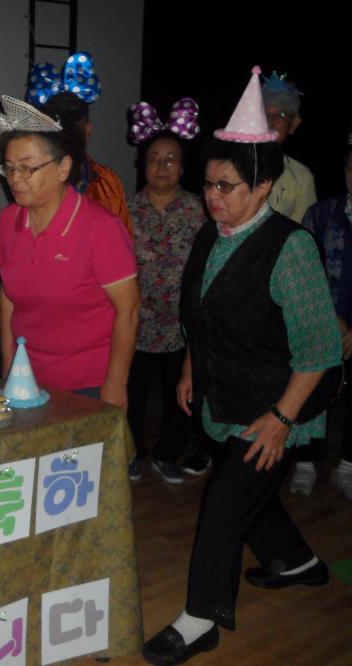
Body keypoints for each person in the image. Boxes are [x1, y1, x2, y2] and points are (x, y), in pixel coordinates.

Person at [143, 68, 341, 666]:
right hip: (224, 388)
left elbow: (320, 350)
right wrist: (189, 370)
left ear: (264, 186)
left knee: (225, 507)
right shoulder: (213, 234)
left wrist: (282, 419)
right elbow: (198, 315)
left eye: (227, 186)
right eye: (208, 184)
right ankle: (298, 562)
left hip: (277, 400)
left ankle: (201, 619)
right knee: (249, 489)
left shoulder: (291, 248)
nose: (213, 196)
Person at [0, 94, 139, 408]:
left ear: (63, 168)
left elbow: (127, 311)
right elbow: (8, 296)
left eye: (27, 168)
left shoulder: (100, 228)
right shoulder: (7, 222)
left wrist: (116, 385)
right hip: (26, 377)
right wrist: (8, 365)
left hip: (88, 382)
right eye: (9, 168)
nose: (15, 179)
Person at [126, 99, 207, 483]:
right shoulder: (125, 211)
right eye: (154, 159)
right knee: (132, 392)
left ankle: (169, 452)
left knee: (182, 393)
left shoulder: (199, 211)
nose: (161, 166)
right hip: (135, 320)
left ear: (183, 167)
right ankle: (132, 451)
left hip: (181, 321)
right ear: (143, 165)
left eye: (170, 159)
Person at [289, 135, 352, 500]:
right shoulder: (320, 214)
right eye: (351, 168)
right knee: (312, 391)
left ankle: (347, 466)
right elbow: (304, 273)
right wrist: (333, 320)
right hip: (321, 320)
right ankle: (306, 461)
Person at [26, 54, 133, 233]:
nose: (65, 137)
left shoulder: (108, 182)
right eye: (58, 129)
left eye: (72, 129)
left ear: (87, 130)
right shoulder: (30, 177)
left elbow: (124, 239)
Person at [262, 71, 317, 223]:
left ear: (293, 124)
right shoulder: (231, 164)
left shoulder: (301, 177)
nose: (270, 121)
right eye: (264, 113)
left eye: (281, 115)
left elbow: (304, 231)